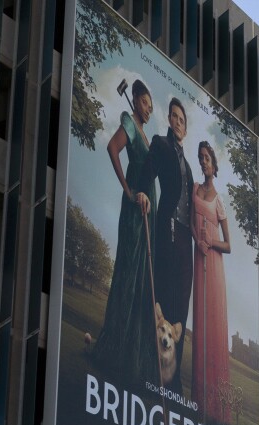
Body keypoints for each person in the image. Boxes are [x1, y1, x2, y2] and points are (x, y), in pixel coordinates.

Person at [94, 79, 158, 384]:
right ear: (135, 98)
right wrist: (128, 189)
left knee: (142, 278)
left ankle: (133, 357)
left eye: (150, 106)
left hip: (148, 211)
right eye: (145, 102)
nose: (148, 109)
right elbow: (112, 148)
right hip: (135, 211)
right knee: (129, 274)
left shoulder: (142, 132)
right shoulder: (130, 124)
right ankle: (115, 352)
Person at [140, 97, 194, 394]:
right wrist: (142, 192)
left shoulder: (189, 166)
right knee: (164, 299)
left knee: (181, 307)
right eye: (174, 116)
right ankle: (153, 370)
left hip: (187, 240)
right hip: (167, 229)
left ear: (185, 128)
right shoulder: (160, 144)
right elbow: (148, 172)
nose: (177, 121)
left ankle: (173, 380)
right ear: (169, 120)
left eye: (181, 119)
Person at [191, 141, 232, 425]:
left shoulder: (218, 200)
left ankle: (216, 408)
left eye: (207, 158)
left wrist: (210, 242)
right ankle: (198, 402)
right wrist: (198, 240)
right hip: (199, 259)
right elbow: (192, 223)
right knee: (200, 323)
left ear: (214, 166)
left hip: (214, 265)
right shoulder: (194, 189)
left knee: (214, 327)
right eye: (201, 158)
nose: (204, 161)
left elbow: (229, 245)